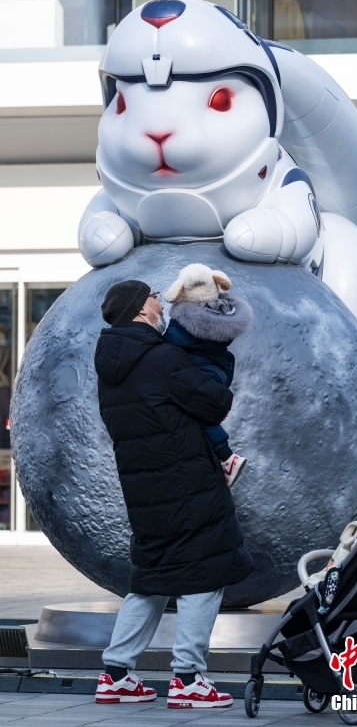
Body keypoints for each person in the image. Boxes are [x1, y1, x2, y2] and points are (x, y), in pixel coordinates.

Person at [93, 279, 255, 708]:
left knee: (150, 578)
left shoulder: (110, 366)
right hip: (187, 484)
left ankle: (116, 674)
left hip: (144, 490)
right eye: (152, 297)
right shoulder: (162, 358)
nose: (159, 302)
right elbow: (214, 402)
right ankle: (187, 679)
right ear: (139, 309)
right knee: (205, 571)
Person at [164, 263, 253, 487]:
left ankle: (227, 457)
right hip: (219, 370)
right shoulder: (222, 312)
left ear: (181, 290)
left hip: (201, 372)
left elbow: (169, 342)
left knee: (200, 416)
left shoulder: (184, 323)